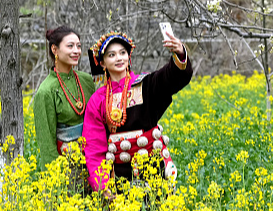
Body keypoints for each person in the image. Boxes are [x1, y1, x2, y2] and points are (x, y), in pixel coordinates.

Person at [82, 30, 192, 194]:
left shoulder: (145, 84)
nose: (119, 58)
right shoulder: (98, 100)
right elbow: (94, 147)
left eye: (122, 53)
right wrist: (102, 185)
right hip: (120, 175)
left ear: (129, 56)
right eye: (111, 55)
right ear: (103, 63)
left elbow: (168, 78)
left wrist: (180, 53)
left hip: (154, 169)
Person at [33, 25, 96, 170]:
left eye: (79, 46)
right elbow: (47, 144)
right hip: (66, 168)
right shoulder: (46, 91)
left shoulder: (86, 80)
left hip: (92, 160)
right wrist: (56, 179)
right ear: (55, 50)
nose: (76, 51)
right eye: (70, 46)